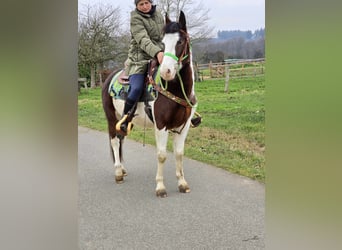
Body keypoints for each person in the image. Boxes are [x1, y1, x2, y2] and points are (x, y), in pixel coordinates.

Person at [118, 0, 164, 134]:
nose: (144, 6)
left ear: (151, 2)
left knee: (177, 76)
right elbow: (143, 40)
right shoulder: (135, 18)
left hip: (160, 54)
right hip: (140, 59)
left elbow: (164, 35)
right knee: (137, 87)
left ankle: (185, 113)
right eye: (141, 4)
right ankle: (125, 119)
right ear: (136, 6)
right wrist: (157, 52)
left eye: (146, 3)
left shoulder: (159, 15)